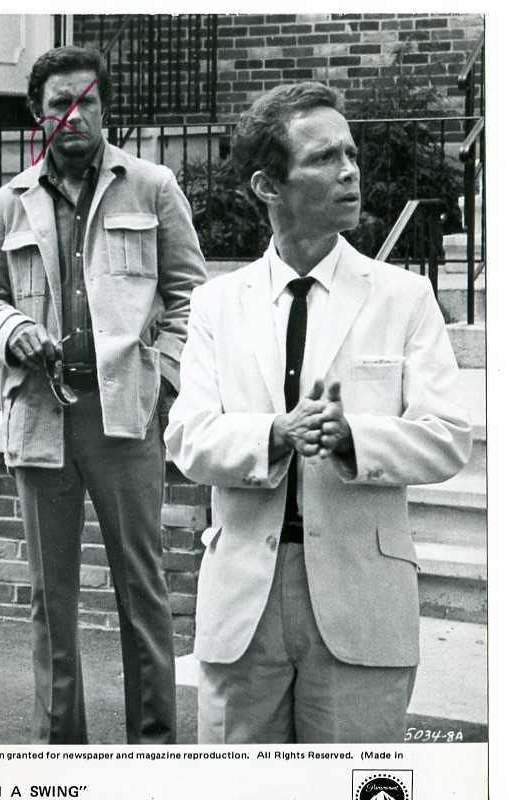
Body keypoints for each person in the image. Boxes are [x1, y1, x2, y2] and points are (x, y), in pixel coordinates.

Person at [165, 81, 471, 743]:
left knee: (355, 793)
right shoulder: (219, 304)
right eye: (324, 157)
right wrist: (274, 434)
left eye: (351, 153)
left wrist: (353, 437)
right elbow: (187, 438)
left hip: (362, 597)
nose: (349, 170)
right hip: (243, 601)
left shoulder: (404, 297)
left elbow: (448, 436)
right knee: (237, 794)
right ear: (266, 186)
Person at [0, 46, 206, 744]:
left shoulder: (152, 187)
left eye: (86, 102)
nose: (73, 116)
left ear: (104, 108)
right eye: (58, 105)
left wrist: (161, 376)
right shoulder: (7, 202)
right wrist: (12, 328)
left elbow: (192, 298)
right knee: (52, 599)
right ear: (36, 116)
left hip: (123, 417)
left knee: (142, 590)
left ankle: (151, 746)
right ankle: (61, 751)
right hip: (40, 417)